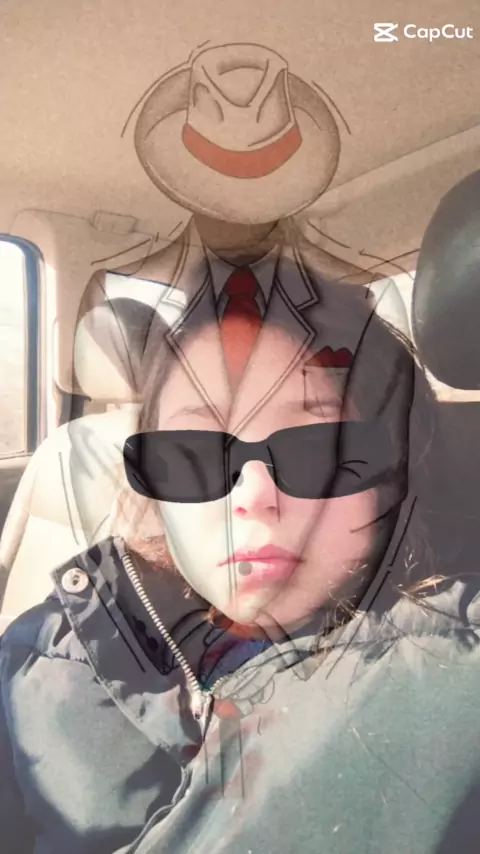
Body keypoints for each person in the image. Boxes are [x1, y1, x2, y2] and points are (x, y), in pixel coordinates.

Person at [3, 256, 480, 854]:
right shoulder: (44, 655)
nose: (252, 497)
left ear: (396, 473)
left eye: (321, 448)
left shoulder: (453, 674)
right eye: (194, 455)